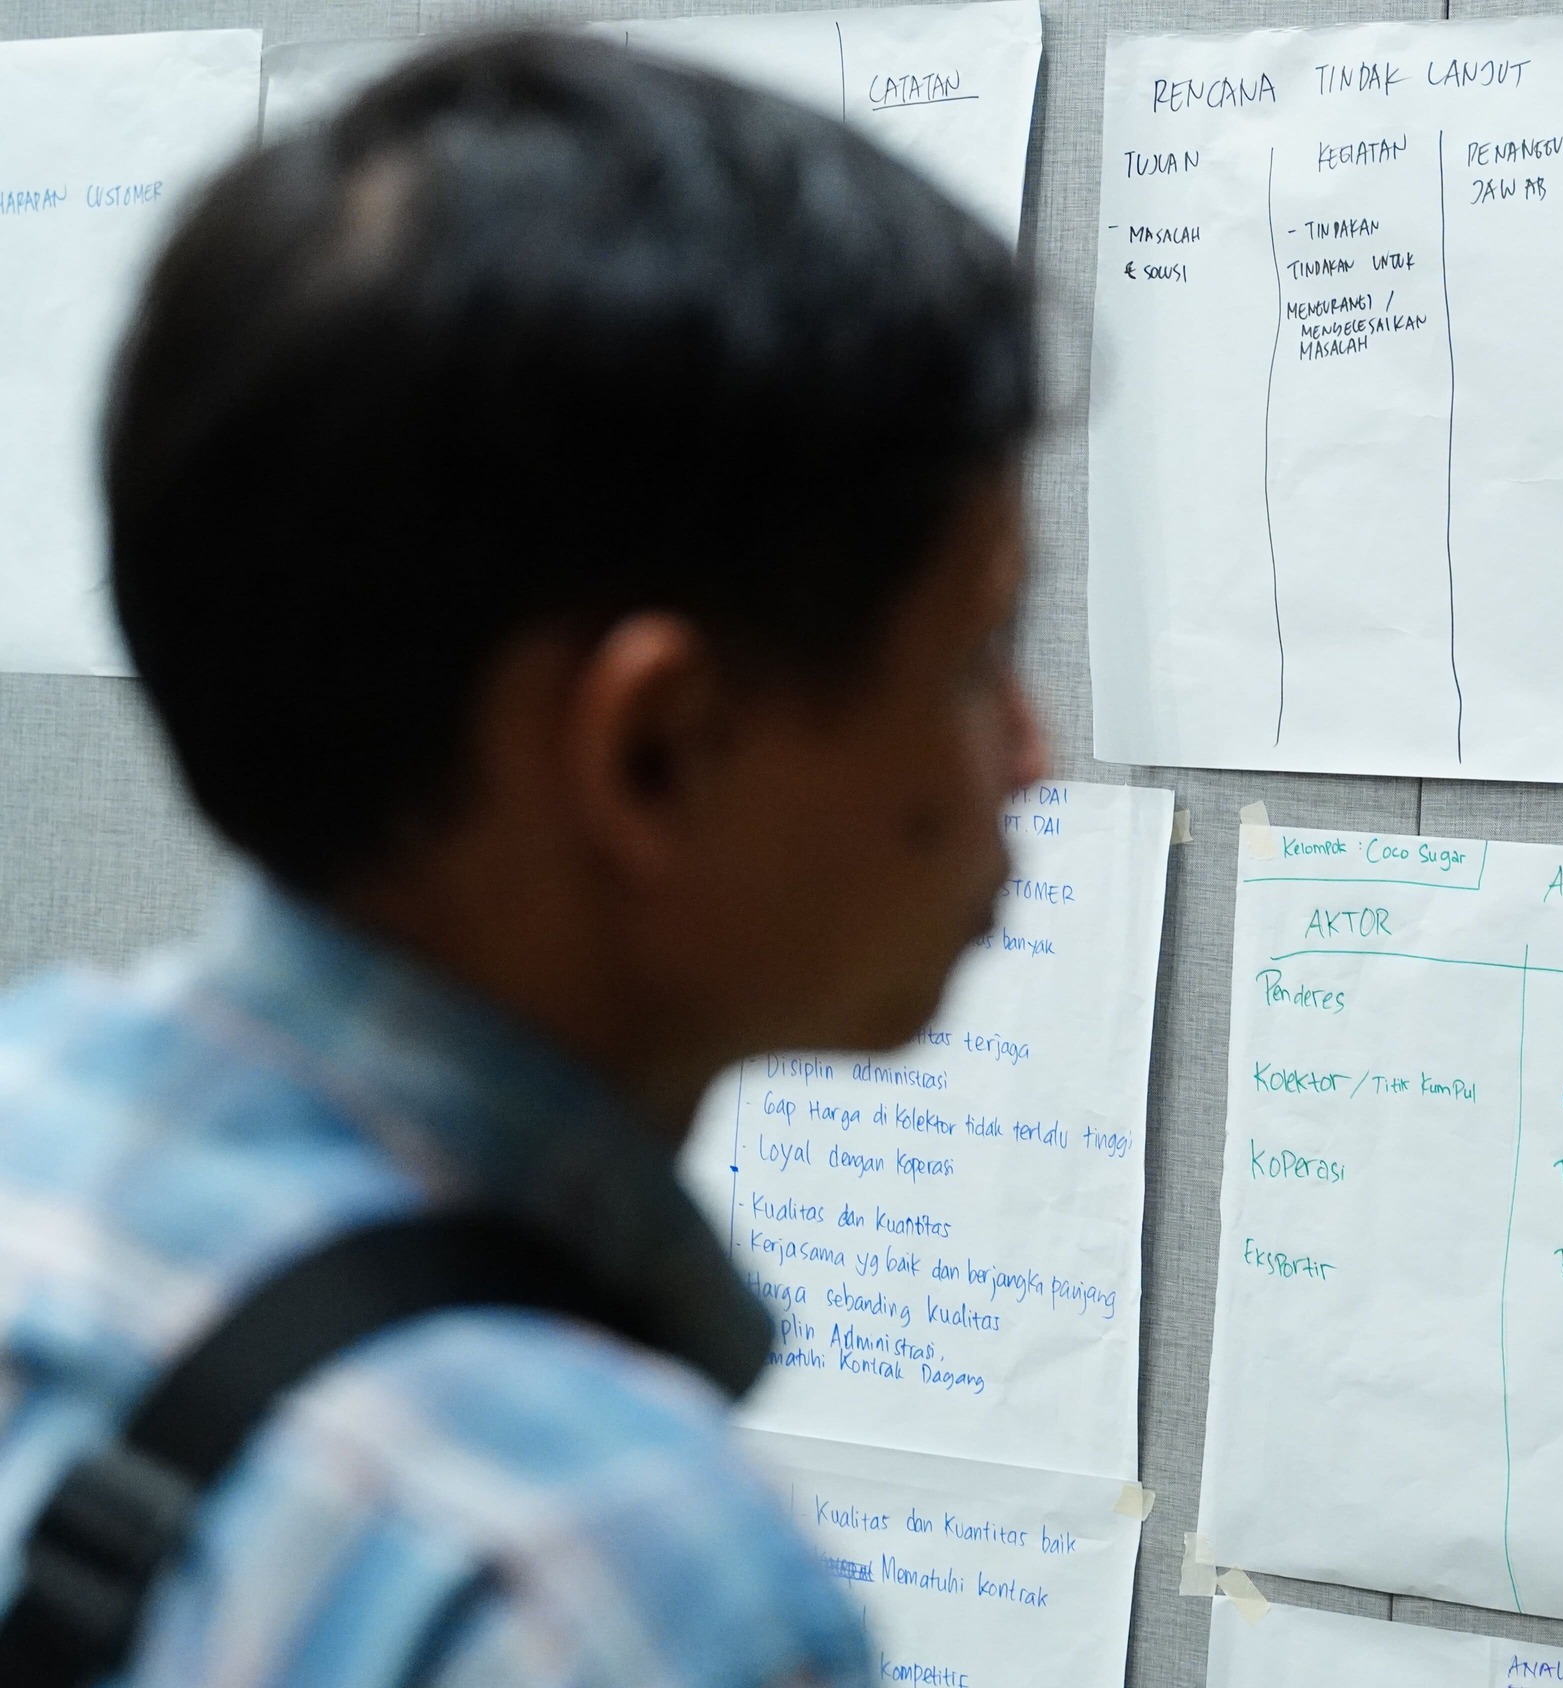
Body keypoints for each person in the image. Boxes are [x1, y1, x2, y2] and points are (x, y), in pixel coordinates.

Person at [0, 29, 1046, 1687]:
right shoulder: (619, 1590)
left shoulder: (31, 1124)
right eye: (975, 659)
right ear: (654, 751)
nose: (1032, 751)